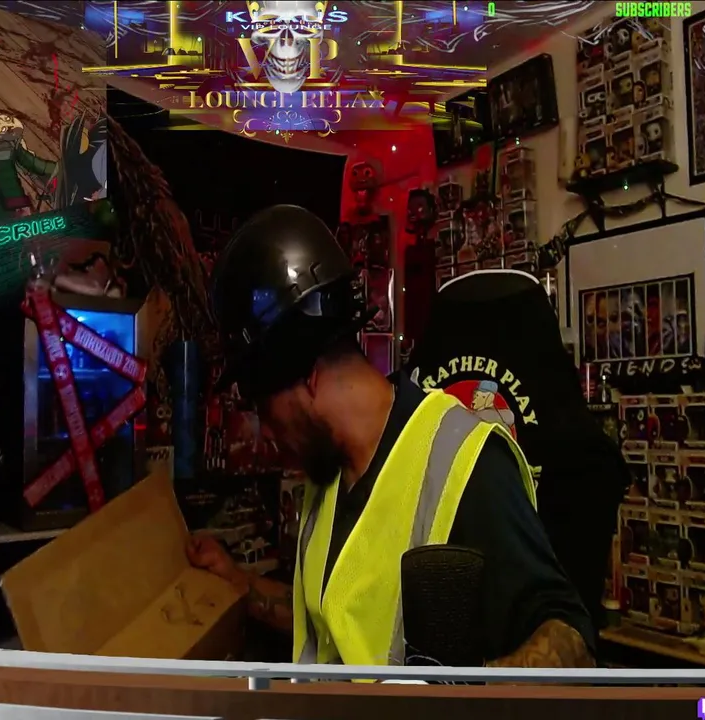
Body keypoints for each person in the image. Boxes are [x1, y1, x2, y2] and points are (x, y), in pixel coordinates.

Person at [189, 204, 595, 668]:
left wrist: (466, 696)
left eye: (264, 408)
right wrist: (240, 583)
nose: (268, 432)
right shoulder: (329, 476)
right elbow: (336, 624)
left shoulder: (464, 462)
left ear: (305, 375)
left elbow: (570, 637)